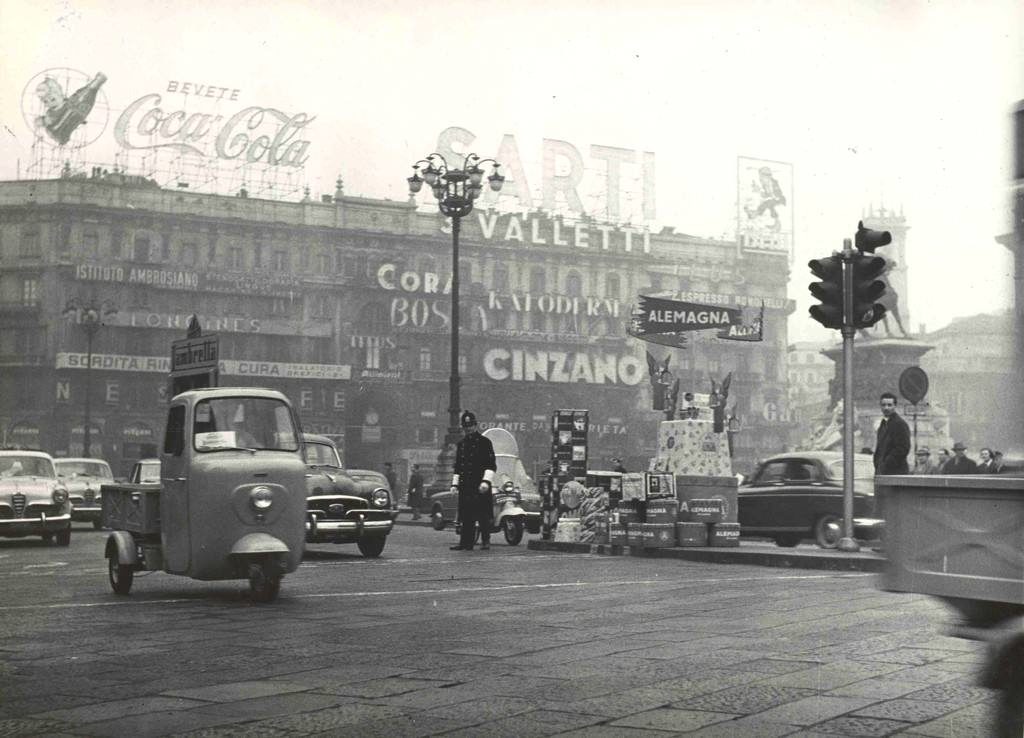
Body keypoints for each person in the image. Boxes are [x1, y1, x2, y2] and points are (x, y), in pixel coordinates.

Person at [450, 410, 496, 551]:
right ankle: (466, 543)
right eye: (465, 426)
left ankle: (485, 541)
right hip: (466, 485)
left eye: (470, 426)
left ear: (475, 425)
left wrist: (486, 482)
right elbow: (458, 466)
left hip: (479, 484)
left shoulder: (485, 442)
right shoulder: (461, 444)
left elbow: (491, 464)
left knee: (482, 515)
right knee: (466, 515)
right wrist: (455, 483)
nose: (468, 429)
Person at [873, 392, 910, 475]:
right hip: (883, 472)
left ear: (895, 406)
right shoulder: (883, 425)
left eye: (889, 405)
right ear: (880, 406)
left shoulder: (900, 424)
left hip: (896, 472)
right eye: (883, 405)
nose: (886, 408)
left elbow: (903, 449)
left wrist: (885, 464)